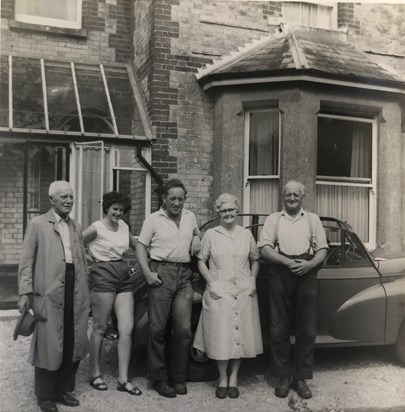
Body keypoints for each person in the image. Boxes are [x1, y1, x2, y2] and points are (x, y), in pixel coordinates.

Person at [18, 181, 89, 412]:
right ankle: (45, 396)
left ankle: (63, 389)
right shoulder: (38, 224)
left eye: (71, 197)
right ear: (52, 200)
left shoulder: (76, 226)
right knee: (48, 343)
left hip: (74, 288)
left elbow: (82, 260)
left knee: (72, 339)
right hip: (49, 291)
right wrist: (25, 292)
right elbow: (26, 261)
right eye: (63, 197)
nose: (69, 201)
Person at [259, 180, 328, 400]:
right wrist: (288, 264)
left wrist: (308, 265)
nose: (291, 198)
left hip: (307, 273)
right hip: (280, 272)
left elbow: (323, 250)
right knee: (278, 328)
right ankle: (282, 377)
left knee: (306, 329)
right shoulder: (273, 219)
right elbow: (266, 250)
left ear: (302, 197)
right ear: (283, 197)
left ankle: (300, 377)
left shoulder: (312, 219)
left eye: (295, 195)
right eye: (287, 195)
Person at [193, 193, 263, 399]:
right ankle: (222, 378)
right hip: (219, 290)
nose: (228, 213)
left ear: (237, 211)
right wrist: (211, 283)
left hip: (243, 290)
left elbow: (255, 259)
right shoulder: (212, 235)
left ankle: (234, 378)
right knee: (222, 336)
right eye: (223, 210)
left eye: (231, 210)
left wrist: (252, 280)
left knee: (239, 335)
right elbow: (200, 261)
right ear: (218, 213)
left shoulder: (245, 234)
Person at [136, 179, 200, 398]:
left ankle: (178, 378)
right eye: (172, 198)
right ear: (164, 198)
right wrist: (147, 273)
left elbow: (196, 232)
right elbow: (140, 247)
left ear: (185, 199)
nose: (176, 202)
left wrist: (197, 236)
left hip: (184, 276)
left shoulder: (190, 217)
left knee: (183, 330)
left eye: (180, 198)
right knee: (157, 329)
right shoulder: (154, 219)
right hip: (160, 274)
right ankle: (158, 379)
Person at [83, 191, 142, 396]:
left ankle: (123, 379)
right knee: (100, 327)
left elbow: (137, 245)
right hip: (103, 275)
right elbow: (75, 243)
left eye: (121, 210)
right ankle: (95, 374)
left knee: (127, 328)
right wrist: (89, 258)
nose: (118, 213)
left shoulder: (124, 227)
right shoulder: (97, 227)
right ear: (106, 208)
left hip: (123, 276)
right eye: (115, 209)